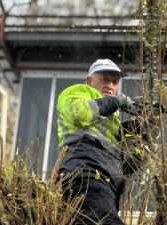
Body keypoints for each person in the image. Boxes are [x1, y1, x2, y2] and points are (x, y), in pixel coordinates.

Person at [57, 59, 139, 225]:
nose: (110, 85)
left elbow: (127, 168)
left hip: (108, 184)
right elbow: (78, 113)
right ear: (89, 81)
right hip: (85, 170)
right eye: (105, 79)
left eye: (115, 82)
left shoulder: (112, 120)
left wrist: (138, 143)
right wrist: (115, 101)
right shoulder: (79, 91)